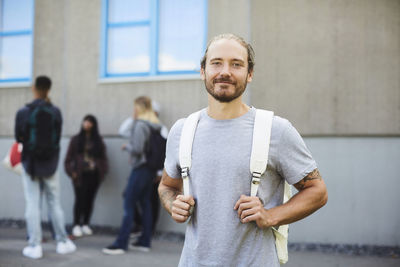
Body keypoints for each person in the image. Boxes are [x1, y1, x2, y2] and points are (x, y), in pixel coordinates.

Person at [158, 33, 328, 266]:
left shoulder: (275, 130)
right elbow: (167, 186)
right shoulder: (182, 130)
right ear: (202, 71)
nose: (225, 71)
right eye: (216, 63)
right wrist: (173, 204)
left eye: (236, 64)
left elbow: (317, 192)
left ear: (249, 74)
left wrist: (270, 216)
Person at [15, 75, 76, 259]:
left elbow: (19, 137)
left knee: (32, 203)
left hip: (30, 164)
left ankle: (35, 246)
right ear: (48, 89)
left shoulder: (24, 111)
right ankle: (62, 242)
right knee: (54, 202)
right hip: (51, 164)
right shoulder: (55, 111)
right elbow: (56, 138)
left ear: (34, 88)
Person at [103, 96, 163, 255]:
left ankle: (121, 243)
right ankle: (145, 242)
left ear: (139, 108)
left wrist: (126, 147)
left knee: (128, 204)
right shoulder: (155, 125)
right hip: (150, 169)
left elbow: (137, 148)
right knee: (145, 204)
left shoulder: (140, 125)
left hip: (140, 169)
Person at [118, 101, 168, 239]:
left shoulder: (156, 127)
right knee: (144, 201)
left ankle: (141, 233)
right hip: (146, 168)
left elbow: (163, 151)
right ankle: (144, 233)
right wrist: (133, 117)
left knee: (143, 200)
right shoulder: (145, 125)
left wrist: (160, 172)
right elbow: (123, 131)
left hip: (146, 169)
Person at [64, 115, 108, 237]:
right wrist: (71, 172)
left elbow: (104, 159)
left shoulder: (98, 140)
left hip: (94, 175)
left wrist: (103, 172)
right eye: (85, 121)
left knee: (90, 199)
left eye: (90, 122)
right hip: (79, 175)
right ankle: (76, 224)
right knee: (79, 200)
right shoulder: (76, 140)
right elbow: (68, 159)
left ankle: (85, 224)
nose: (87, 124)